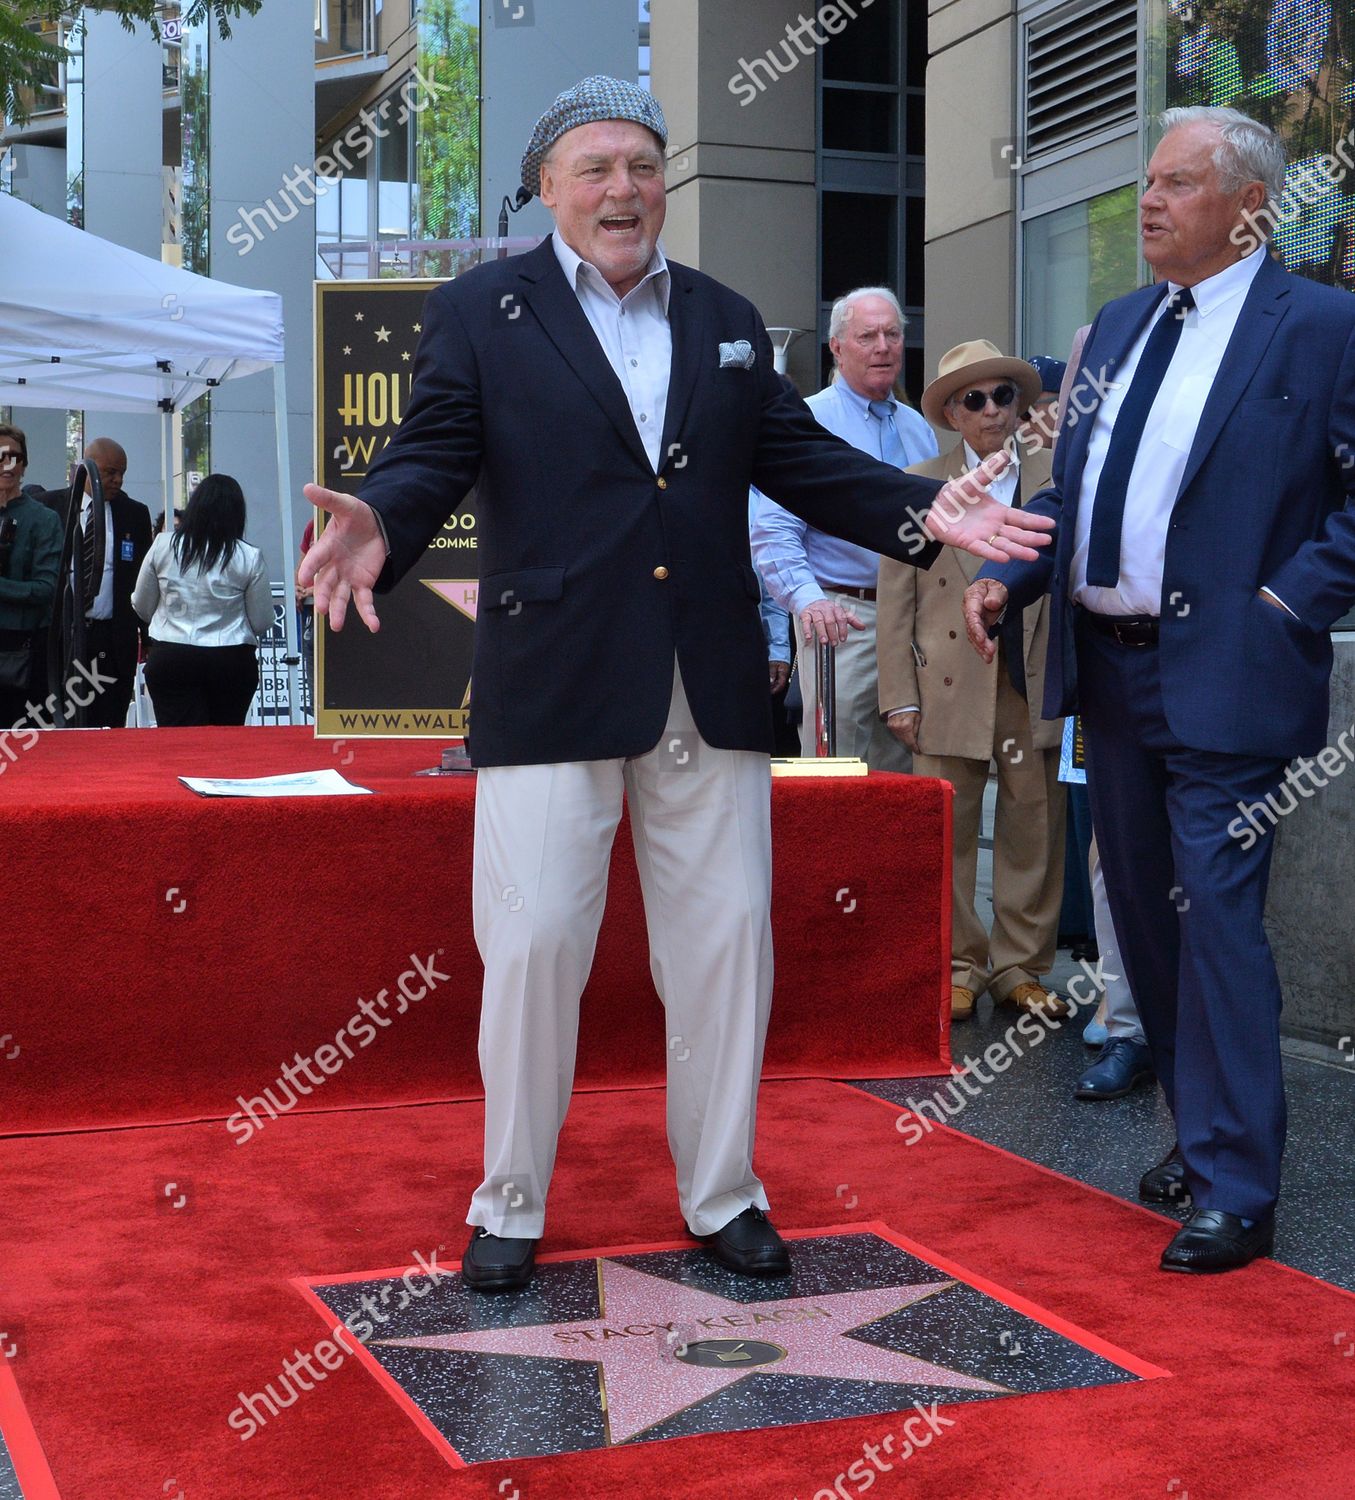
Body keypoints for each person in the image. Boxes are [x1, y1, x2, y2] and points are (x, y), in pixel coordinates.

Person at [299, 75, 1052, 1295]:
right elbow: (432, 448)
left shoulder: (724, 315)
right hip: (550, 680)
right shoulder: (479, 311)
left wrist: (932, 510)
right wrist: (381, 517)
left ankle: (723, 1192)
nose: (623, 188)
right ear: (545, 188)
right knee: (536, 944)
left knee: (724, 946)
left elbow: (802, 462)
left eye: (643, 165)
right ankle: (509, 1197)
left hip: (705, 677)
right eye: (594, 166)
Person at [964, 105, 1355, 1273]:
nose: (1145, 202)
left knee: (1217, 922)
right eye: (1144, 181)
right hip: (1108, 675)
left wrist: (1282, 604)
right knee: (1144, 921)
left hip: (1227, 676)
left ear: (1248, 206)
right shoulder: (1124, 323)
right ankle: (1202, 1136)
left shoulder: (1322, 326)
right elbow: (1086, 492)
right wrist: (1011, 579)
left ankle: (1238, 1184)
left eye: (1175, 183)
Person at [877, 342, 1066, 1024]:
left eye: (1003, 396)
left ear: (1020, 405)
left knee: (1033, 826)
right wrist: (897, 692)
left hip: (1032, 676)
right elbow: (894, 597)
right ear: (952, 413)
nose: (991, 411)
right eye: (974, 400)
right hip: (945, 684)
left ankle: (1021, 966)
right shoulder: (917, 481)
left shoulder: (1055, 475)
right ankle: (956, 965)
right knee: (945, 831)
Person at [751, 287, 938, 767]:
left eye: (893, 334)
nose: (883, 346)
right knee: (836, 771)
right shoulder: (807, 419)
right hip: (842, 618)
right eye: (867, 336)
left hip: (914, 622)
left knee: (903, 772)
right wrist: (807, 599)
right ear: (836, 347)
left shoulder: (919, 428)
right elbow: (772, 530)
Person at [131, 475, 273, 726]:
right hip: (231, 662)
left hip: (172, 658)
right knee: (225, 743)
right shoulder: (249, 557)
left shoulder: (163, 546)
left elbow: (142, 606)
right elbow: (261, 621)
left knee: (178, 744)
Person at [45, 438, 153, 727]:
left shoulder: (134, 514)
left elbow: (143, 579)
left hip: (112, 638)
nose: (117, 480)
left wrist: (148, 636)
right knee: (61, 719)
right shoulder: (51, 507)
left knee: (109, 721)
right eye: (110, 472)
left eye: (122, 473)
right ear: (86, 467)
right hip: (63, 636)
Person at [0, 424, 62, 729]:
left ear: (24, 464)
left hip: (23, 658)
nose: (7, 464)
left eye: (14, 456)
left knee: (23, 754)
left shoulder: (44, 519)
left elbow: (46, 589)